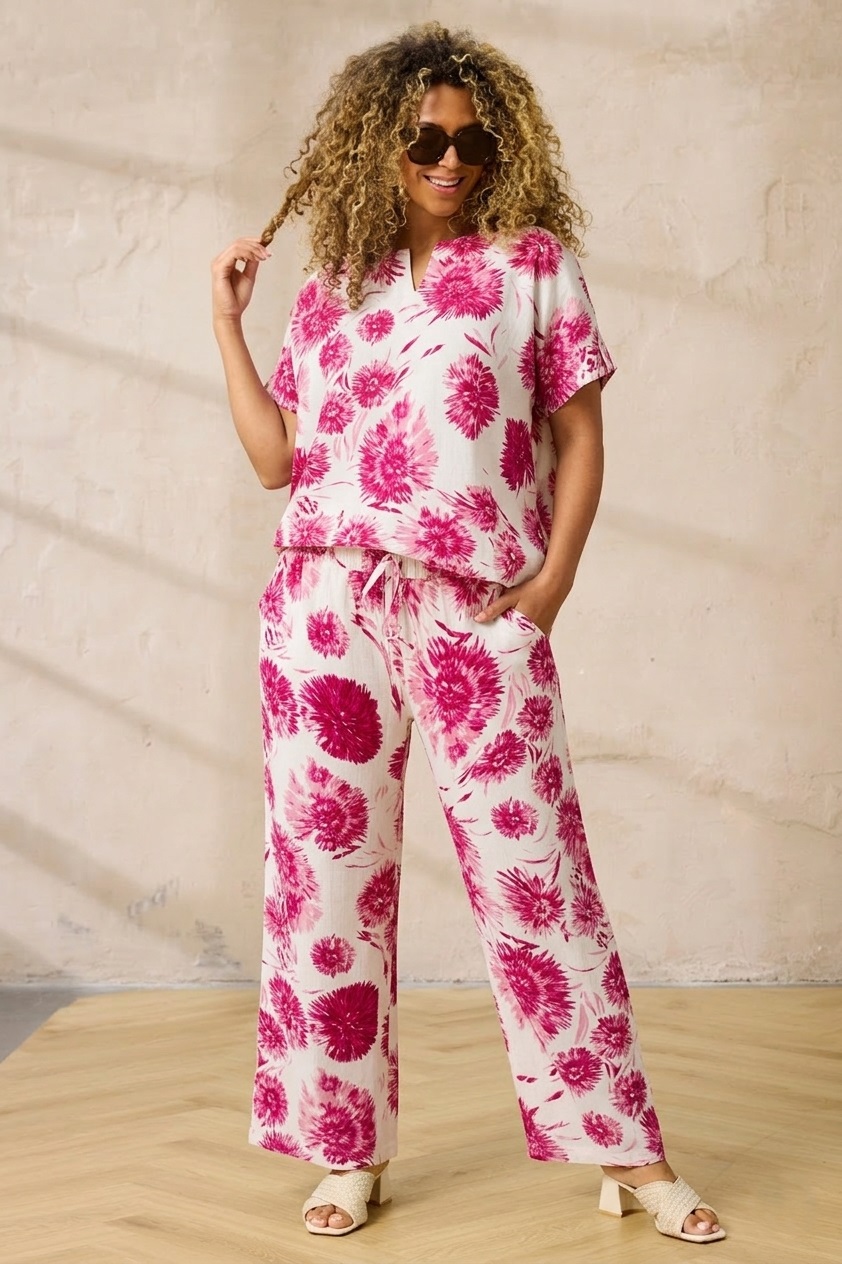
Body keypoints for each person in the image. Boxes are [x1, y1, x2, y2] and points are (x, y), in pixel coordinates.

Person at [211, 20, 726, 1246]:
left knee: (535, 878)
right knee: (324, 883)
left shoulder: (532, 266)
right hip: (322, 604)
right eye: (425, 139)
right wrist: (226, 322)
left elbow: (579, 440)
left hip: (472, 605)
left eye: (473, 141)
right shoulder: (331, 285)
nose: (450, 159)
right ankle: (346, 1149)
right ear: (376, 145)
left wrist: (547, 589)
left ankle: (624, 1149)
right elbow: (279, 460)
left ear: (503, 150)